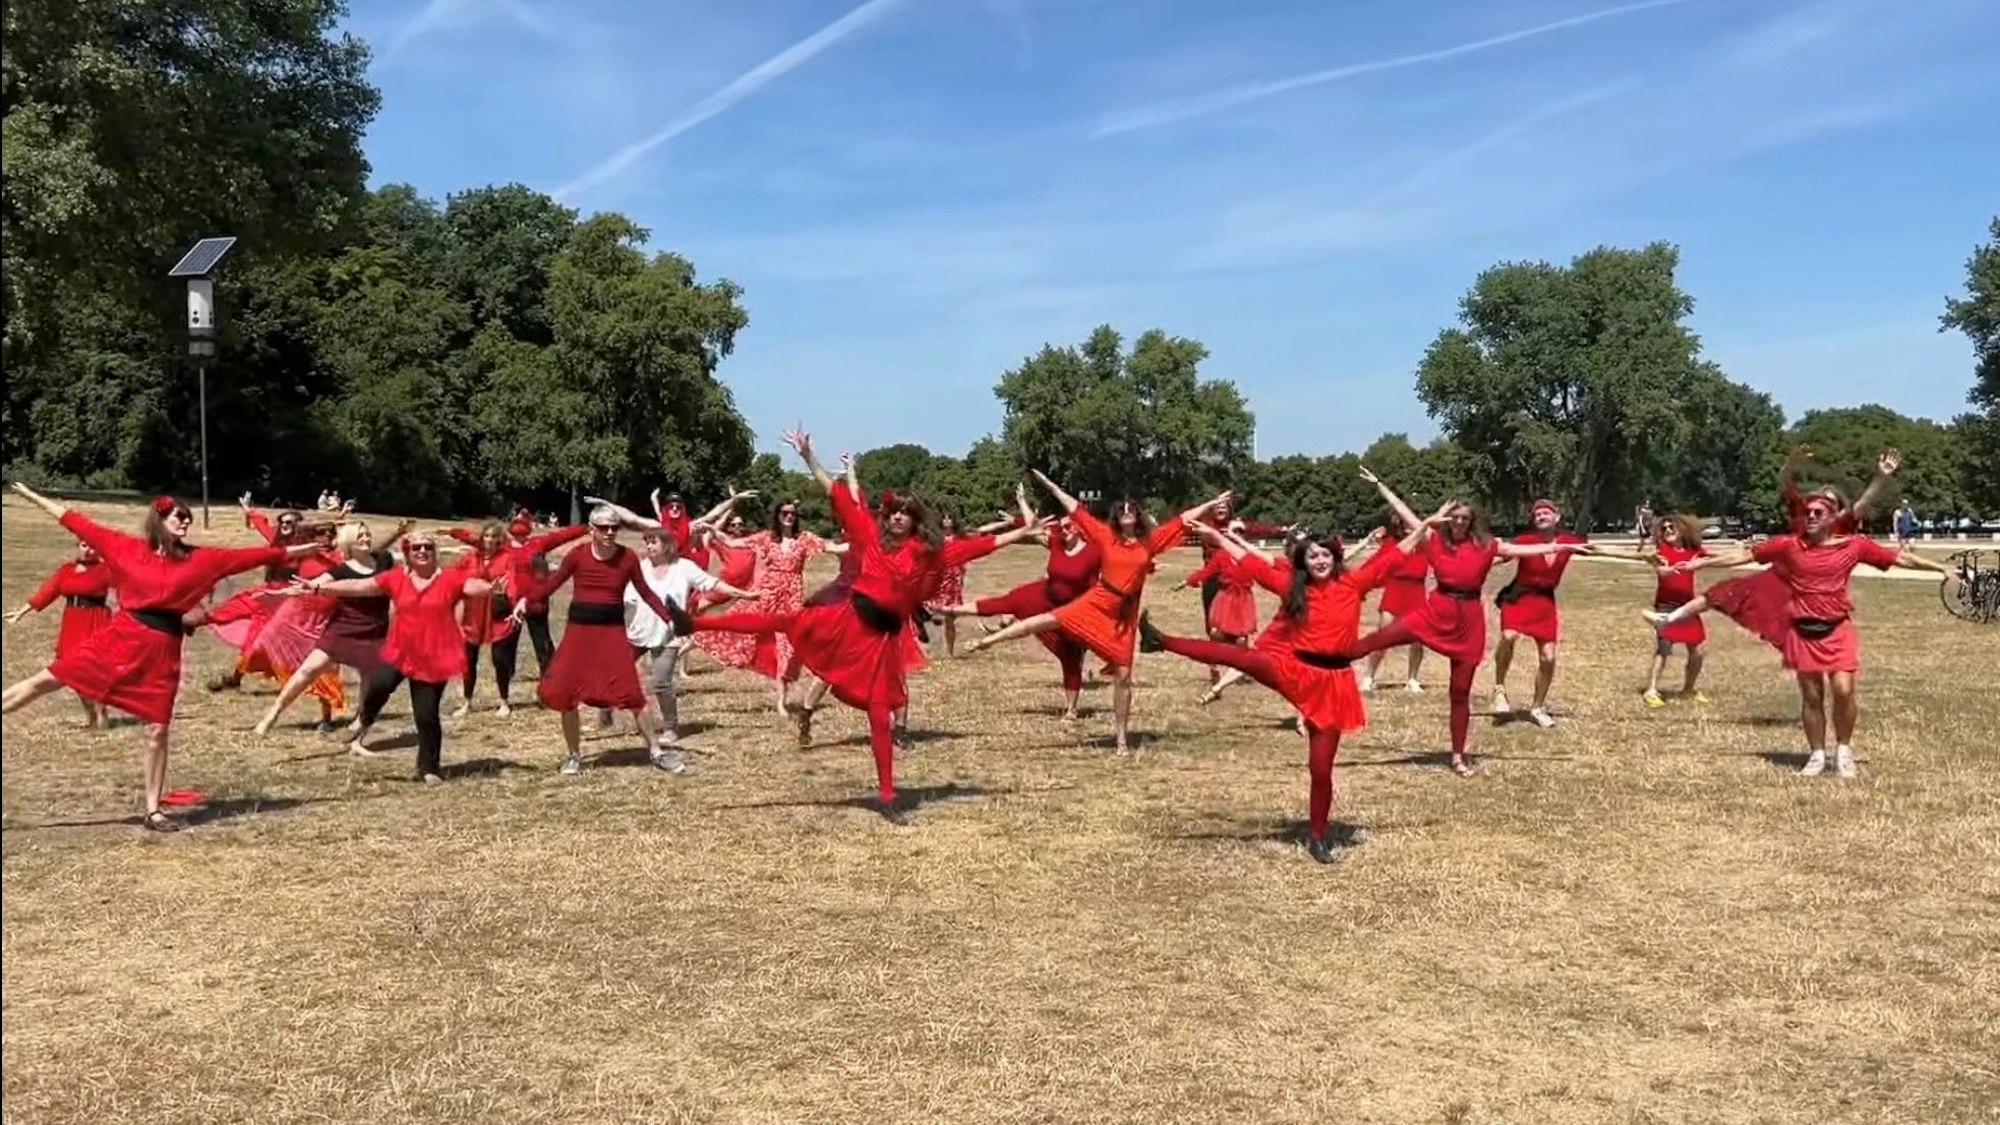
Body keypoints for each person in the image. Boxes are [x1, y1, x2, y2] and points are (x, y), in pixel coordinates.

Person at [691, 429, 1028, 822]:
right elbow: (834, 490)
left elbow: (974, 548)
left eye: (905, 512)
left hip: (882, 639)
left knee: (879, 712)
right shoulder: (869, 535)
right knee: (785, 619)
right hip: (848, 620)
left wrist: (1021, 532)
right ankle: (694, 623)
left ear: (914, 519)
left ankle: (887, 795)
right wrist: (808, 455)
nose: (898, 517)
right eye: (893, 511)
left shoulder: (925, 552)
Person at [1140, 481, 1447, 863]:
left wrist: (1426, 524)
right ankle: (1160, 641)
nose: (1319, 561)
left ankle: (1318, 836)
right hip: (1295, 669)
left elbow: (1397, 554)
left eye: (1324, 555)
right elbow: (1250, 560)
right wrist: (1217, 538)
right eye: (1312, 556)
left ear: (1334, 557)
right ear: (1303, 562)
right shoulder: (1293, 587)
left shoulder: (1354, 584)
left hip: (1334, 685)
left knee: (1320, 768)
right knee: (1240, 657)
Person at [2, 485, 307, 830]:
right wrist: (30, 494)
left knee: (157, 730)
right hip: (120, 638)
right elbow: (75, 521)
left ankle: (153, 810)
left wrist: (309, 547)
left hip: (163, 649)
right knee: (47, 680)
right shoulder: (125, 548)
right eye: (180, 516)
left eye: (188, 519)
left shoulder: (201, 559)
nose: (185, 523)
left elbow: (257, 556)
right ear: (159, 518)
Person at [1646, 490, 1953, 778]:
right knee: (1812, 696)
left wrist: (1941, 569)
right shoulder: (1789, 545)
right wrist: (1699, 562)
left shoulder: (1854, 545)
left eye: (1819, 512)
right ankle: (1817, 754)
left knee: (1844, 690)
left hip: (1837, 628)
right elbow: (1744, 556)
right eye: (1808, 512)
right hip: (1803, 630)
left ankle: (1843, 749)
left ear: (1833, 517)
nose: (1812, 516)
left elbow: (1901, 558)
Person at [962, 471, 1232, 754]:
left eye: (1132, 510)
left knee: (1124, 678)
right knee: (1046, 620)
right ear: (1116, 517)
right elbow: (1075, 509)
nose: (1127, 512)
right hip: (1098, 601)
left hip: (1124, 615)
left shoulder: (1149, 541)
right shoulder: (1104, 535)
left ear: (1137, 516)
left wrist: (1211, 503)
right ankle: (986, 642)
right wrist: (1052, 487)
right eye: (1121, 510)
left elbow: (1182, 519)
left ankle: (1121, 741)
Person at [1335, 488, 1595, 776]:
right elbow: (1408, 517)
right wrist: (1382, 487)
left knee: (1459, 693)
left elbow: (1523, 550)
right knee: (1381, 638)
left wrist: (1559, 547)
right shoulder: (1434, 540)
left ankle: (1458, 755)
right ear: (1446, 519)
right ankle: (1329, 659)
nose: (1459, 522)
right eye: (1454, 517)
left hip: (1469, 622)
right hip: (1435, 612)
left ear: (1472, 521)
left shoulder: (1486, 545)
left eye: (1464, 518)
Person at [511, 504, 692, 776]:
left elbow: (646, 592)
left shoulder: (627, 558)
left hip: (612, 633)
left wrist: (669, 617)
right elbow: (552, 583)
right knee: (565, 691)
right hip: (579, 633)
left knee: (632, 693)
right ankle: (573, 755)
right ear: (592, 529)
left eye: (614, 528)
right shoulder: (578, 555)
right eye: (604, 528)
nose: (610, 532)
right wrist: (526, 599)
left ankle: (656, 751)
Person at [310, 530, 500, 783]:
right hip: (400, 650)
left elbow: (472, 586)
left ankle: (429, 768)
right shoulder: (396, 578)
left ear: (435, 553)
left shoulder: (451, 579)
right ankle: (363, 721)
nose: (422, 551)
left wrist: (490, 589)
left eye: (428, 547)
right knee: (378, 684)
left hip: (433, 656)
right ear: (409, 553)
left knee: (426, 714)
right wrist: (319, 587)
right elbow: (357, 586)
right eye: (417, 548)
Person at [600, 524, 759, 769]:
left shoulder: (683, 568)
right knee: (613, 672)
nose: (649, 546)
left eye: (654, 541)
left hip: (668, 634)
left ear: (666, 544)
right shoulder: (640, 568)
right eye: (647, 542)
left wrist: (743, 594)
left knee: (661, 681)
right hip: (637, 631)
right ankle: (606, 707)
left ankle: (671, 728)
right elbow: (622, 595)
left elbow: (713, 583)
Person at [934, 493, 1101, 721]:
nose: (1064, 529)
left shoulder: (1093, 552)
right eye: (1062, 526)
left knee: (1071, 656)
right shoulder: (1057, 542)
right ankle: (952, 610)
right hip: (1046, 596)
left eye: (1068, 525)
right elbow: (1034, 527)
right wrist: (1022, 503)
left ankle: (1072, 709)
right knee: (1009, 601)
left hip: (1075, 609)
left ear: (1080, 528)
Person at [443, 515, 590, 717]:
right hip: (507, 606)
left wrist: (585, 528)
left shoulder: (539, 543)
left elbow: (562, 536)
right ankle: (506, 689)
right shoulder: (501, 545)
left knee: (544, 648)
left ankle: (550, 690)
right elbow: (476, 539)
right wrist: (454, 532)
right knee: (505, 651)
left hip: (535, 603)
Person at [1490, 499, 1589, 728]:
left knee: (1549, 657)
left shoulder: (1569, 542)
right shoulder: (1525, 541)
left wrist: (1643, 558)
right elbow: (1498, 556)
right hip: (1520, 597)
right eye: (1537, 515)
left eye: (1546, 513)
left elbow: (1601, 550)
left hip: (1545, 602)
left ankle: (1537, 707)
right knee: (1508, 636)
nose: (1541, 516)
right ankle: (1499, 689)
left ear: (1557, 518)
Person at [4, 539, 115, 728]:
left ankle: (101, 717)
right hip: (73, 624)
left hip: (95, 624)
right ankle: (93, 718)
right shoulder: (67, 570)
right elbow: (47, 592)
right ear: (78, 546)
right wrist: (20, 613)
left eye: (93, 546)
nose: (88, 550)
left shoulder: (106, 570)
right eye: (84, 545)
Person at [1179, 520, 1262, 683]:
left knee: (1241, 639)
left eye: (1240, 532)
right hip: (1226, 597)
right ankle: (1214, 665)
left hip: (1243, 599)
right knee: (1217, 633)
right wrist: (1188, 581)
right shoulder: (1222, 556)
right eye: (1234, 531)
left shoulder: (1250, 555)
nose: (1237, 535)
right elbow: (1207, 572)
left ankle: (1241, 670)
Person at [1641, 514, 1710, 708]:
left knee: (1698, 651)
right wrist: (1671, 569)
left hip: (1688, 607)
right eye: (1664, 528)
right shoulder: (1662, 551)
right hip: (1666, 606)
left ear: (1682, 530)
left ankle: (1688, 689)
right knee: (1664, 648)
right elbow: (1661, 571)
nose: (1668, 530)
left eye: (1672, 527)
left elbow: (1711, 557)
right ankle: (1651, 690)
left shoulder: (1694, 551)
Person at [1361, 514, 1431, 694]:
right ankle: (1369, 677)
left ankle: (1412, 679)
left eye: (1410, 523)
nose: (1408, 527)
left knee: (1418, 639)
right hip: (1395, 589)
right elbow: (1373, 564)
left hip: (1417, 591)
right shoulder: (1392, 543)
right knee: (1384, 635)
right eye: (1404, 524)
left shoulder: (1424, 545)